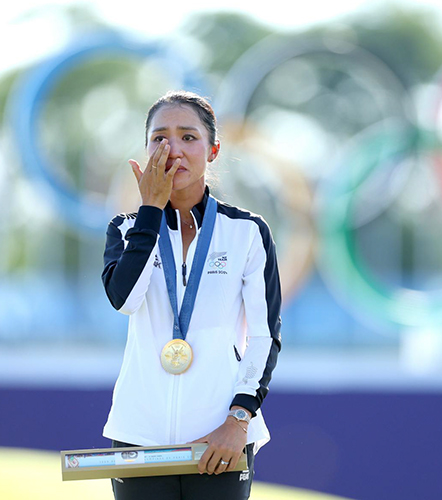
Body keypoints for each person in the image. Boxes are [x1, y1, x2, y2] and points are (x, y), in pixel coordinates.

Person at [101, 90, 282, 500]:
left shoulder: (247, 231)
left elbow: (264, 336)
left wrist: (238, 420)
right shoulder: (126, 229)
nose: (173, 149)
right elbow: (124, 300)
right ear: (146, 150)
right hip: (138, 435)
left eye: (188, 137)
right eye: (159, 138)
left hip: (220, 438)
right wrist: (150, 211)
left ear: (213, 150)